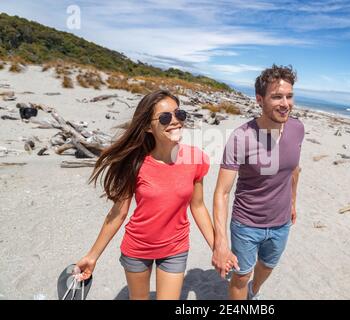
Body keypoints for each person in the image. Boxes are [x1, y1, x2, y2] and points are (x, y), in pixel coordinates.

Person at [74, 90, 232, 300]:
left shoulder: (196, 158)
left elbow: (198, 206)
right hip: (137, 248)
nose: (175, 121)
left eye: (179, 114)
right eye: (165, 117)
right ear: (148, 127)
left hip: (175, 247)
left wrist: (217, 248)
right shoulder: (135, 163)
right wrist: (92, 256)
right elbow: (118, 214)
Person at [212, 64, 305, 300]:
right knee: (241, 275)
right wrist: (220, 243)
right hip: (246, 223)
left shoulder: (297, 128)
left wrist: (292, 203)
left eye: (289, 96)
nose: (285, 103)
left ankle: (254, 292)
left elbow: (294, 169)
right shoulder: (241, 137)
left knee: (267, 266)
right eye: (276, 97)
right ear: (259, 99)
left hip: (281, 223)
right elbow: (222, 193)